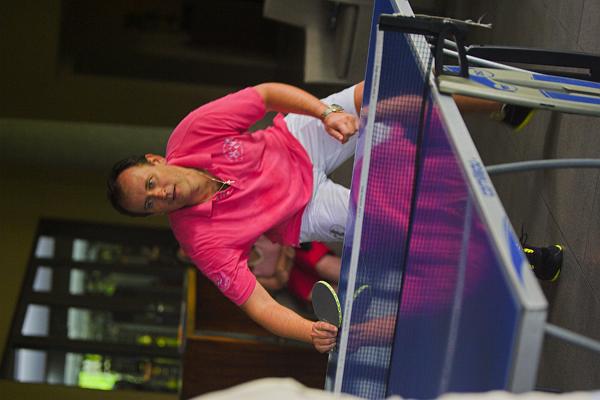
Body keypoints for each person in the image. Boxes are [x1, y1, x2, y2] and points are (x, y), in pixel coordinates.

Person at [106, 82, 560, 353]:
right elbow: (258, 305)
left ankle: (503, 108)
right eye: (150, 204)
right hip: (300, 211)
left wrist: (325, 113)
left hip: (295, 140)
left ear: (155, 160)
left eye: (151, 183)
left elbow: (267, 95)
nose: (160, 195)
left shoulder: (191, 132)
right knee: (401, 226)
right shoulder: (200, 241)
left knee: (380, 95)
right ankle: (517, 259)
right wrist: (308, 331)